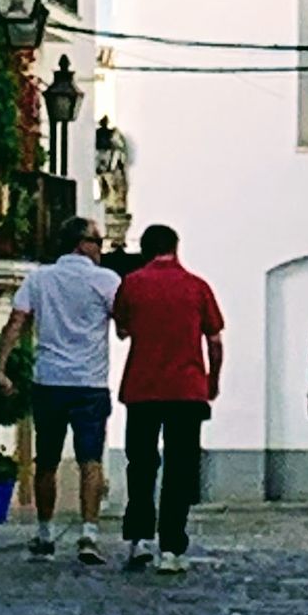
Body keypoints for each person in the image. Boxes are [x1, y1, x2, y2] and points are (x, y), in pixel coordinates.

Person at [0, 213, 120, 566]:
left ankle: (46, 532)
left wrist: (0, 367)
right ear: (82, 244)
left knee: (46, 461)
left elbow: (16, 322)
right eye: (98, 242)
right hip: (90, 384)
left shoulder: (40, 279)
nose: (101, 249)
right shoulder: (106, 280)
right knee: (90, 460)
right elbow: (124, 323)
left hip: (48, 381)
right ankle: (89, 534)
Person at [114, 223, 224, 574]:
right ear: (176, 247)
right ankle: (172, 547)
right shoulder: (197, 286)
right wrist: (212, 380)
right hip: (187, 389)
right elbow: (215, 339)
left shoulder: (132, 284)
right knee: (180, 469)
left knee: (141, 465)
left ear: (145, 249)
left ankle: (140, 538)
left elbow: (121, 329)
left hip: (143, 387)